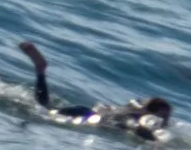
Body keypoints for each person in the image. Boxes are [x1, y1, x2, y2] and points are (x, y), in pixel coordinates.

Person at [18, 42, 172, 143]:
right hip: (89, 118)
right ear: (150, 113)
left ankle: (41, 71)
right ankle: (41, 71)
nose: (164, 120)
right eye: (163, 116)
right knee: (42, 110)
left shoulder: (132, 108)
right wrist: (155, 142)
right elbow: (136, 127)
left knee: (45, 108)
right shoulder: (140, 118)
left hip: (87, 111)